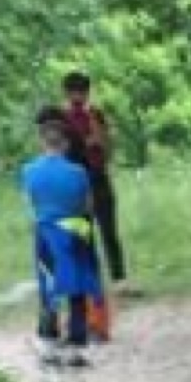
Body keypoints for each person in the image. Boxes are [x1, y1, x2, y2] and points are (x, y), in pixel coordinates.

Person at [21, 108, 106, 367]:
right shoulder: (78, 173)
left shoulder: (28, 171)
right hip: (73, 231)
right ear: (66, 143)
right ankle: (75, 348)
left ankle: (48, 346)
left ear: (42, 141)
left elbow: (30, 205)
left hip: (45, 233)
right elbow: (88, 207)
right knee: (76, 288)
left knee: (49, 286)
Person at [58, 70, 127, 286]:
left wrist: (99, 135)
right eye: (75, 93)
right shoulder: (61, 118)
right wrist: (83, 144)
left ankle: (119, 279)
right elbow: (58, 149)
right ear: (67, 93)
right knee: (81, 233)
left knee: (109, 230)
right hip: (74, 182)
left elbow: (108, 148)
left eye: (83, 93)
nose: (79, 98)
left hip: (98, 177)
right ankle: (89, 281)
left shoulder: (95, 114)